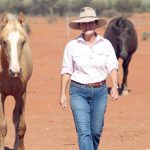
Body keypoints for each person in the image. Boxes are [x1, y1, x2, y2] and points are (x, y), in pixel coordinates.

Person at [59, 7, 119, 150]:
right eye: (83, 23)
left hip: (100, 92)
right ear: (80, 26)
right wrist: (62, 93)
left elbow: (112, 66)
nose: (87, 26)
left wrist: (115, 86)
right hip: (78, 92)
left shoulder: (105, 44)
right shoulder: (72, 46)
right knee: (83, 132)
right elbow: (66, 70)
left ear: (95, 24)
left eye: (90, 22)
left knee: (95, 132)